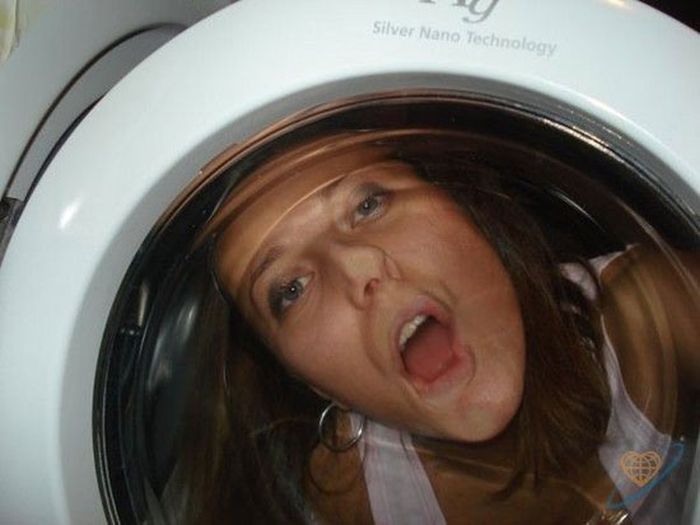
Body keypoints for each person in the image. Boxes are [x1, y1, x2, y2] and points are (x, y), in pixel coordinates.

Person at [177, 129, 699, 524]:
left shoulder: (655, 312)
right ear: (315, 384)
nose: (358, 268)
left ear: (461, 207)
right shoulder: (346, 501)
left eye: (368, 204)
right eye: (291, 289)